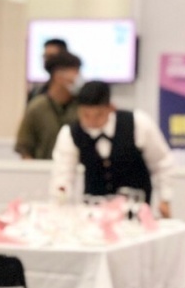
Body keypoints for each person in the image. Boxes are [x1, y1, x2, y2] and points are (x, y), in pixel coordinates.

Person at [51, 81, 173, 215]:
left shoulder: (138, 123)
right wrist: (60, 199)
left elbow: (161, 162)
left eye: (98, 115)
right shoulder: (70, 133)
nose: (91, 121)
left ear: (111, 108)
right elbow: (63, 173)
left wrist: (165, 198)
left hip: (136, 211)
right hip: (95, 212)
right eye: (85, 115)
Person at [15, 51, 81, 160]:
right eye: (75, 72)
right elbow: (24, 148)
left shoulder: (80, 107)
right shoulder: (37, 107)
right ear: (58, 76)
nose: (78, 78)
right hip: (44, 170)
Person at [27, 37, 68, 103]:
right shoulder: (38, 91)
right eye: (45, 56)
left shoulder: (73, 91)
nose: (47, 61)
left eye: (51, 57)